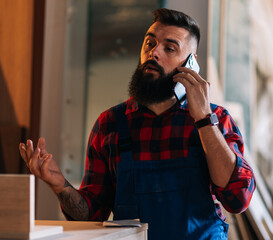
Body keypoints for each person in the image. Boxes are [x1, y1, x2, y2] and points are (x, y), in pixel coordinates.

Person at [19, 8, 255, 240]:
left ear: (191, 63)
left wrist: (204, 120)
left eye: (169, 48)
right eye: (149, 43)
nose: (154, 53)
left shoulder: (216, 120)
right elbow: (90, 216)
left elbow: (238, 199)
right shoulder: (109, 124)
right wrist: (60, 186)